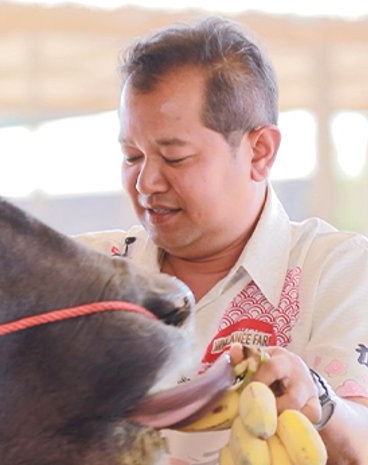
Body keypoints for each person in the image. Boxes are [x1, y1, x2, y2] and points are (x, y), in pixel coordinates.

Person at [76, 16, 368, 464]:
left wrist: (320, 402)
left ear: (259, 151)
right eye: (131, 156)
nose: (146, 181)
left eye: (175, 156)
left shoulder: (338, 270)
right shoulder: (85, 272)